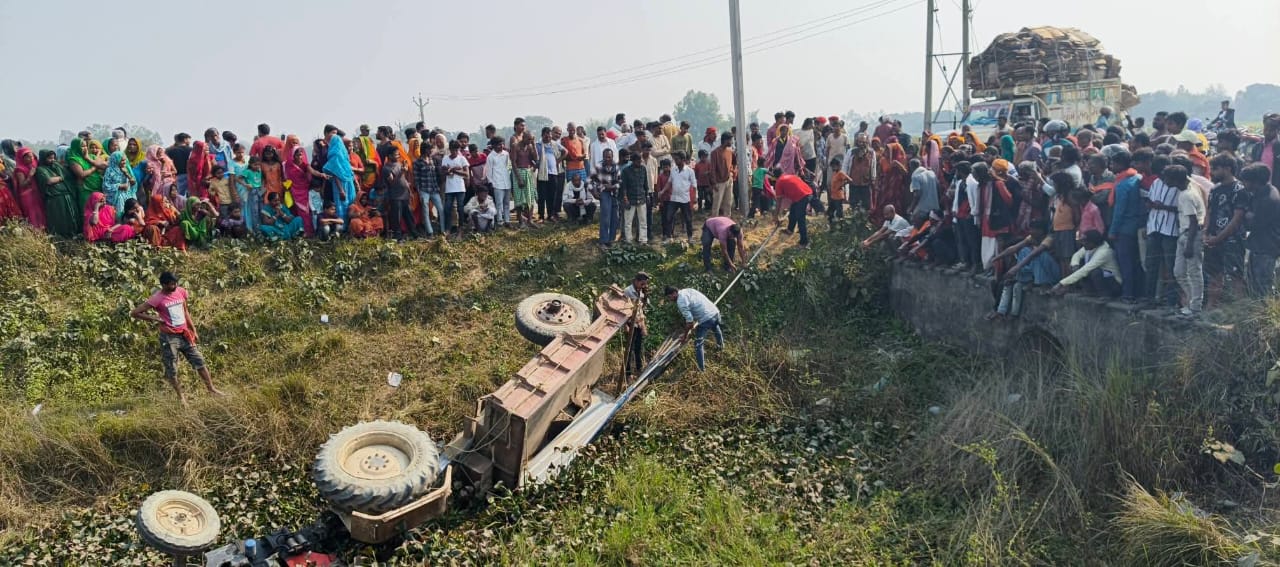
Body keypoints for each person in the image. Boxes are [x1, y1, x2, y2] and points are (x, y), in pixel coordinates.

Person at [130, 271, 224, 407]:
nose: (173, 286)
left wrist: (193, 329)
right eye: (170, 284)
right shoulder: (157, 298)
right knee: (172, 369)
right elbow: (135, 313)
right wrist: (155, 318)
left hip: (184, 335)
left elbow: (185, 311)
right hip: (169, 338)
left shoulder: (181, 291)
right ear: (163, 285)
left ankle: (211, 389)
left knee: (199, 361)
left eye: (175, 283)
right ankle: (181, 399)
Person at [989, 221, 1060, 320]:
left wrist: (1017, 267)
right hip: (1040, 267)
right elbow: (1014, 248)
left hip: (1053, 272)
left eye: (1033, 229)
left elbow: (1033, 254)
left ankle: (1042, 283)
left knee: (1036, 254)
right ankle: (1025, 279)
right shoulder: (1031, 238)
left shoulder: (1049, 239)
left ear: (1040, 231)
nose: (1031, 231)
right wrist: (996, 258)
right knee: (1023, 250)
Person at [1106, 149, 1145, 301]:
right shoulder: (1137, 178)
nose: (1111, 166)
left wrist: (1113, 231)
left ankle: (1128, 293)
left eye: (1113, 163)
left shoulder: (1122, 185)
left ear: (1120, 164)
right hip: (1136, 225)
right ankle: (1138, 293)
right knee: (1136, 261)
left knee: (1125, 262)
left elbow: (1119, 211)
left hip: (1124, 228)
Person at [665, 286, 723, 372]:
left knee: (698, 343)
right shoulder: (688, 290)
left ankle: (701, 369)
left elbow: (690, 323)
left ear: (674, 293)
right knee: (715, 326)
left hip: (706, 319)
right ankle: (721, 347)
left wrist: (685, 336)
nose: (670, 300)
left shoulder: (681, 302)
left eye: (670, 297)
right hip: (716, 313)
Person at [1242, 164, 1280, 297]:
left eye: (1246, 181)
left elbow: (1253, 223)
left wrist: (1247, 215)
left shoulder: (1268, 199)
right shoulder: (1264, 192)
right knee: (1254, 283)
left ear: (1255, 182)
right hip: (1260, 245)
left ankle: (1264, 308)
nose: (1244, 184)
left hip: (1266, 247)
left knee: (1262, 285)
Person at [1052, 230, 1122, 297]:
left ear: (1092, 242)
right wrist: (1075, 265)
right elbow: (1077, 255)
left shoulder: (1104, 252)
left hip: (1114, 284)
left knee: (1094, 272)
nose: (1083, 243)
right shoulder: (1090, 247)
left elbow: (1086, 269)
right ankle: (1091, 292)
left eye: (1085, 241)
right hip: (1105, 279)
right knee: (1081, 269)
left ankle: (1105, 295)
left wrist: (1061, 283)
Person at [772, 170, 813, 248]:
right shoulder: (789, 176)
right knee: (793, 212)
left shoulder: (779, 182)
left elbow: (778, 202)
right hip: (806, 192)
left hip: (802, 196)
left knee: (800, 218)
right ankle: (790, 230)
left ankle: (804, 242)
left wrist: (776, 216)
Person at [661, 152, 696, 243]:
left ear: (683, 160)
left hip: (685, 199)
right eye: (675, 159)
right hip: (674, 198)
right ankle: (668, 237)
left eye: (677, 159)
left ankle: (690, 237)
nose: (675, 161)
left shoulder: (690, 171)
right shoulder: (673, 170)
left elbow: (694, 185)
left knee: (688, 219)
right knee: (669, 217)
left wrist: (694, 198)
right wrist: (662, 191)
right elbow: (669, 182)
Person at [622, 273, 651, 378]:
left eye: (645, 284)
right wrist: (625, 325)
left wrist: (643, 326)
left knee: (639, 347)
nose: (644, 286)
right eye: (642, 283)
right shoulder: (627, 291)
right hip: (630, 323)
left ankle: (639, 369)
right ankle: (628, 373)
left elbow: (640, 310)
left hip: (638, 323)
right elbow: (623, 310)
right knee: (629, 349)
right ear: (636, 281)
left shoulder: (641, 291)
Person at [535, 127, 565, 222]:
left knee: (552, 195)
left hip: (553, 173)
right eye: (546, 136)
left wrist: (558, 161)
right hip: (542, 174)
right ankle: (541, 216)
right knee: (542, 196)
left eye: (549, 136)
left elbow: (565, 152)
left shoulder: (554, 144)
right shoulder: (538, 145)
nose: (548, 138)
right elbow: (533, 156)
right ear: (542, 135)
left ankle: (550, 215)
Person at [11, 148, 45, 230]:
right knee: (32, 215)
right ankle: (34, 233)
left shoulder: (33, 165)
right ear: (22, 158)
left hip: (36, 193)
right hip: (27, 196)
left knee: (40, 213)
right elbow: (22, 184)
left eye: (31, 156)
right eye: (28, 157)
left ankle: (43, 231)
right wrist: (30, 175)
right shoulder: (20, 169)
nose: (31, 158)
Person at [413, 151, 444, 237]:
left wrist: (437, 187)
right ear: (425, 150)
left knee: (441, 209)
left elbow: (435, 175)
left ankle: (443, 230)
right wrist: (419, 191)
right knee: (425, 211)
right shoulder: (417, 162)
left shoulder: (431, 160)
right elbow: (416, 178)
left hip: (434, 189)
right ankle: (430, 232)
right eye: (429, 150)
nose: (430, 152)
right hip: (424, 190)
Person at [621, 152, 650, 244]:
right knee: (628, 221)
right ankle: (629, 240)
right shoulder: (626, 171)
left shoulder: (643, 169)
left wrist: (647, 195)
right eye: (638, 160)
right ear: (633, 161)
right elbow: (624, 186)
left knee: (643, 221)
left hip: (642, 198)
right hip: (630, 199)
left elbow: (645, 184)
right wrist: (625, 198)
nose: (640, 162)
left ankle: (643, 240)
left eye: (640, 160)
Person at [483, 138, 512, 228]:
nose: (501, 146)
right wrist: (491, 183)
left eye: (502, 144)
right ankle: (500, 221)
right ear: (494, 145)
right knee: (499, 203)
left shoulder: (506, 154)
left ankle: (507, 221)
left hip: (507, 181)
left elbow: (509, 166)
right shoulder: (491, 157)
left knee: (507, 203)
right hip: (497, 183)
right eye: (499, 144)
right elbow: (489, 171)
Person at [709, 133, 735, 217]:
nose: (732, 142)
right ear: (725, 140)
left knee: (728, 202)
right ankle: (714, 220)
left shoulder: (730, 151)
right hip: (719, 182)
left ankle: (727, 220)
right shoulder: (715, 153)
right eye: (730, 140)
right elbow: (712, 169)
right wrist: (714, 183)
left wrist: (732, 172)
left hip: (729, 180)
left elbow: (734, 163)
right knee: (717, 204)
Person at [908, 158, 939, 222]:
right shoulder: (931, 173)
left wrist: (911, 208)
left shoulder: (915, 176)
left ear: (911, 167)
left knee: (912, 220)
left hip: (923, 209)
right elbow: (938, 188)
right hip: (935, 207)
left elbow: (917, 195)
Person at [828, 157, 849, 221]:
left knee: (839, 212)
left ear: (838, 166)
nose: (833, 167)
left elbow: (848, 180)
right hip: (833, 196)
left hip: (838, 196)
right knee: (830, 211)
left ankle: (840, 223)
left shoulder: (840, 173)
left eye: (834, 166)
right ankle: (831, 223)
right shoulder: (834, 173)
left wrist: (841, 185)